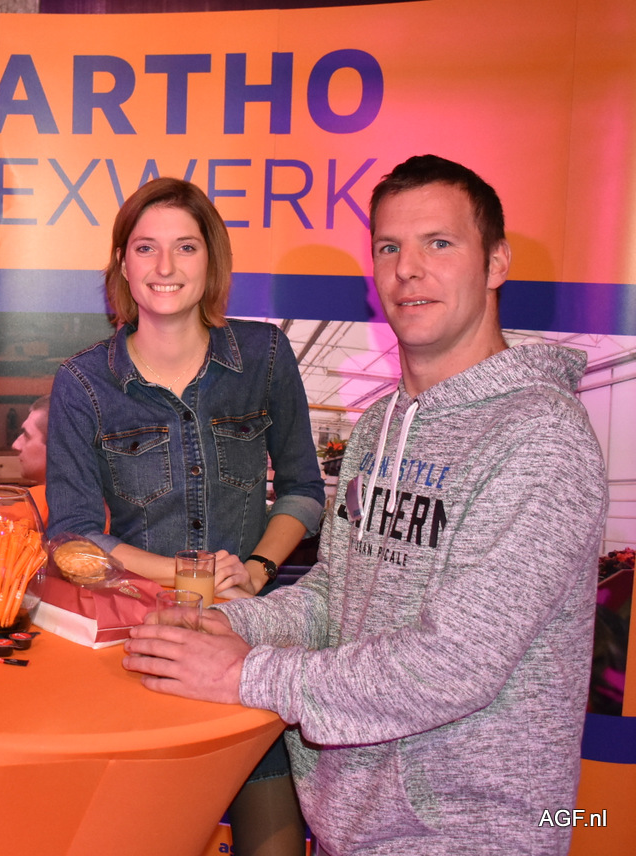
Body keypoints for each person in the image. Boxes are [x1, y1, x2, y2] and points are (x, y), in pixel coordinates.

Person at [123, 155, 609, 854]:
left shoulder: (541, 437)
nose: (408, 269)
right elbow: (336, 597)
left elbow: (454, 664)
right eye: (389, 247)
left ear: (497, 262)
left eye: (439, 243)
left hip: (467, 836)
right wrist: (228, 624)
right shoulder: (381, 425)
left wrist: (242, 672)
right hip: (350, 825)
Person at [47, 177, 325, 856]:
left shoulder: (263, 357)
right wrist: (183, 572)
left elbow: (303, 491)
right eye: (146, 247)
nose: (165, 266)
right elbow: (71, 536)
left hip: (249, 648)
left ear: (212, 260)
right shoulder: (84, 382)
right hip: (142, 651)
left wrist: (256, 570)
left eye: (186, 247)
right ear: (122, 263)